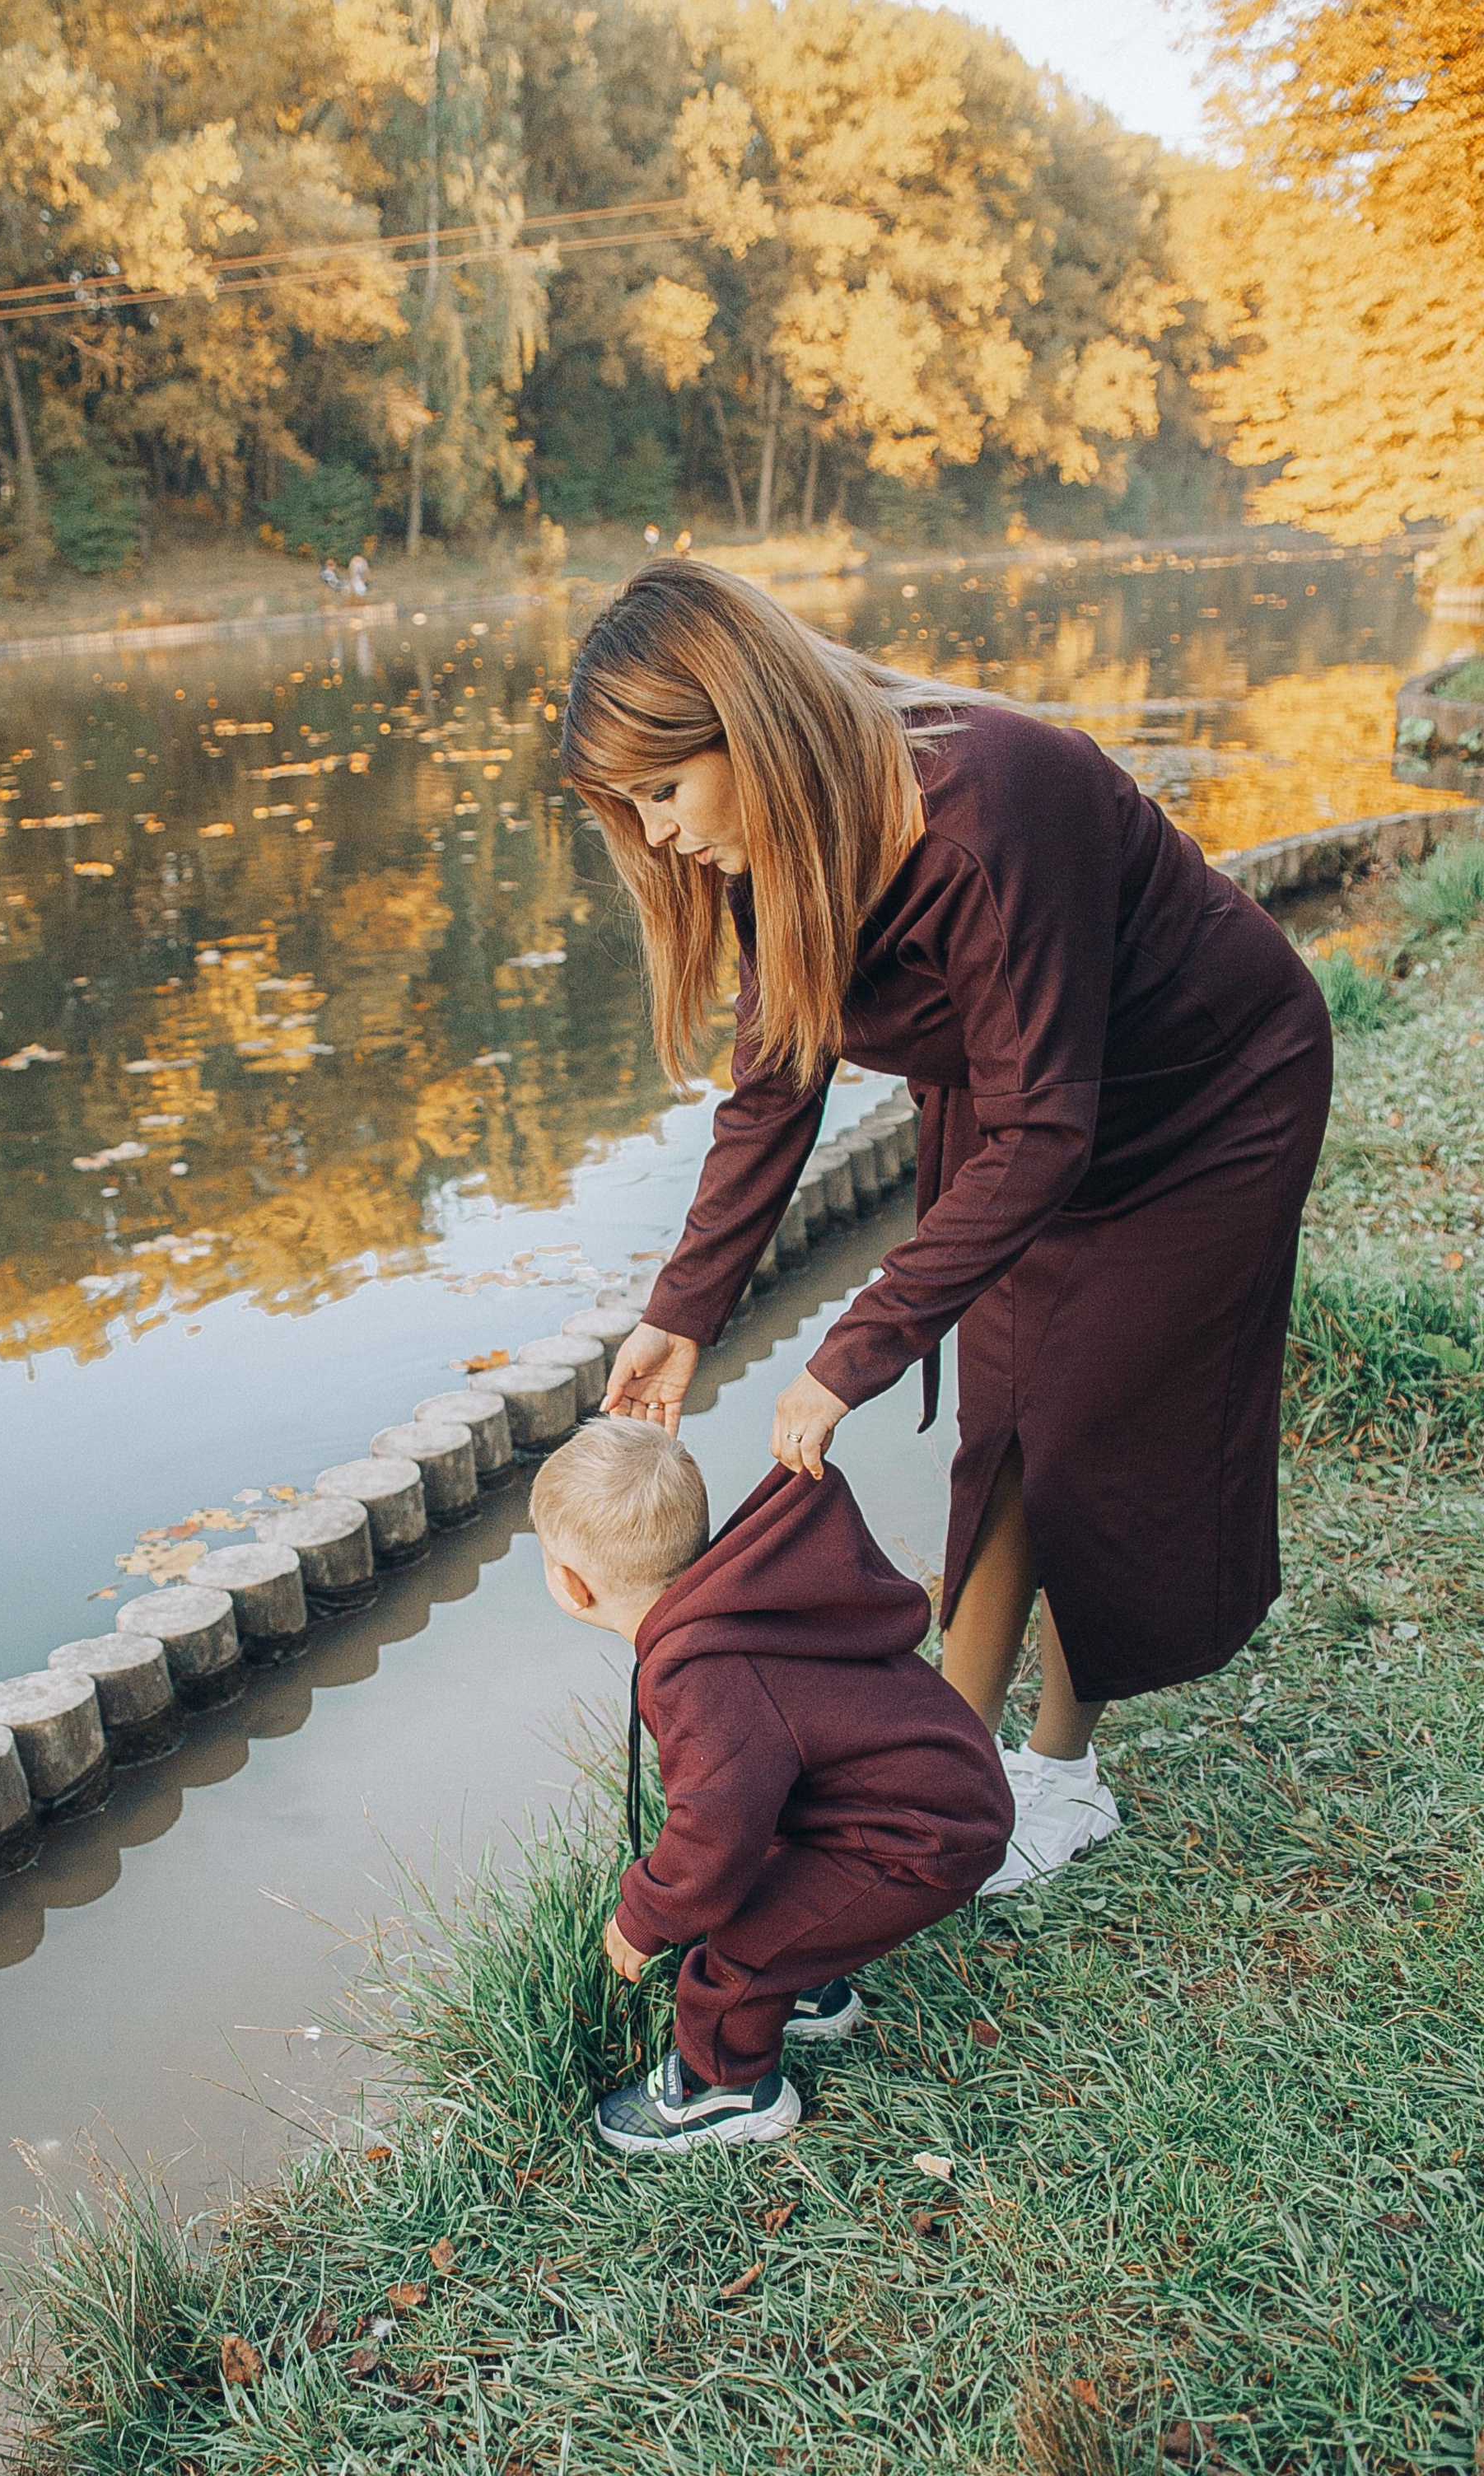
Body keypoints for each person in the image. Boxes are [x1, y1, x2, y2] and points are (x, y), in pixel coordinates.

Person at [564, 559, 1331, 1894]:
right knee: (1006, 1426)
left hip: (1207, 1102)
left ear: (751, 728)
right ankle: (948, 1776)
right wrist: (680, 1317)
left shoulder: (992, 803)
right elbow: (774, 1088)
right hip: (1034, 1104)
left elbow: (1049, 1130)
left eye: (666, 790)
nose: (662, 834)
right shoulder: (773, 850)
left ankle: (1062, 1777)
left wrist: (848, 1354)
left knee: (1097, 1432)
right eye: (631, 806)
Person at [534, 1418, 1010, 2153]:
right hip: (924, 1789)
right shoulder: (733, 1602)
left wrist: (646, 1915)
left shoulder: (704, 1680)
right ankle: (812, 1981)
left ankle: (727, 2089)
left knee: (740, 1952)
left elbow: (713, 1832)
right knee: (772, 1887)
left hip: (921, 1834)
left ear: (570, 1585)